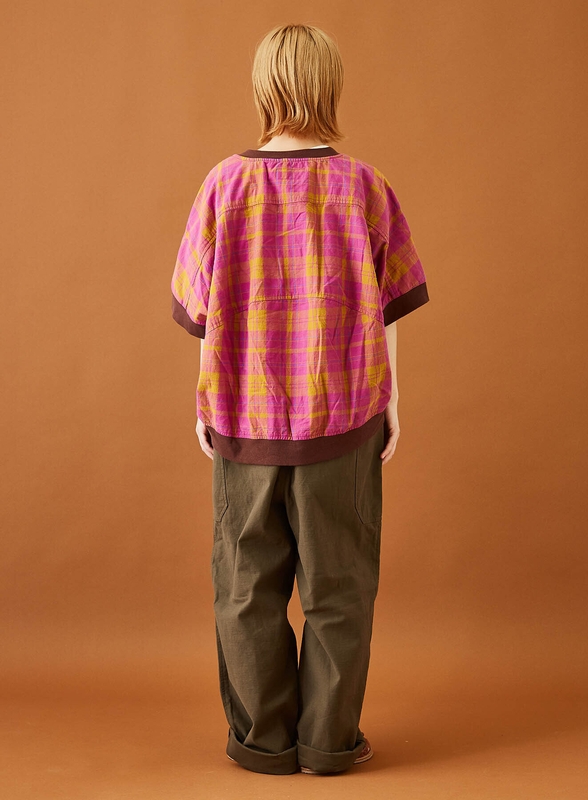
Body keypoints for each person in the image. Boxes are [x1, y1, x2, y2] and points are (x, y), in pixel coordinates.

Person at [170, 23, 430, 776]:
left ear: (264, 88)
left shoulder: (223, 185)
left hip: (242, 419)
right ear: (330, 86)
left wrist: (204, 401)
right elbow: (387, 307)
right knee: (340, 587)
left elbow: (202, 310)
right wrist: (391, 399)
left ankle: (263, 743)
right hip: (345, 421)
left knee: (245, 587)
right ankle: (328, 743)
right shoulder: (366, 186)